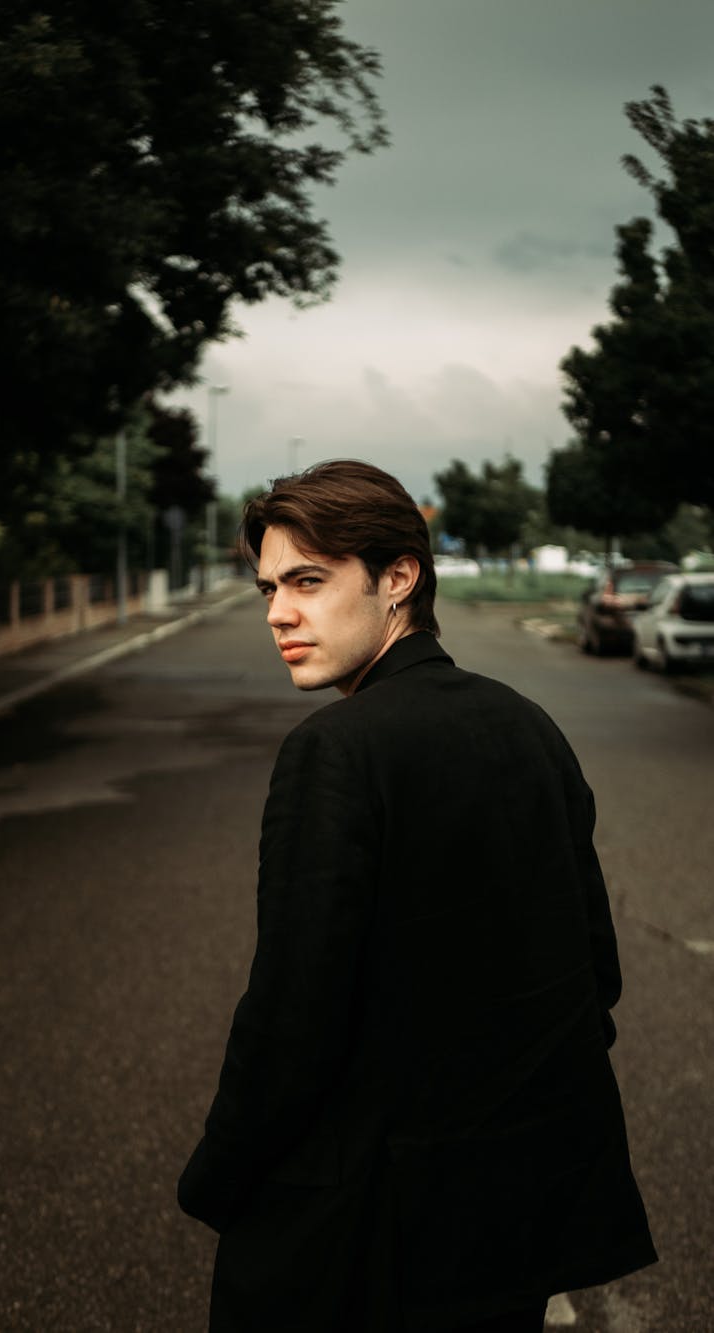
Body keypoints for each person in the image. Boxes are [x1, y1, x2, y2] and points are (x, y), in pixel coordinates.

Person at [178, 460, 656, 1333]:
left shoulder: (335, 752)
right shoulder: (529, 726)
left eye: (309, 580)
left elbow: (292, 1020)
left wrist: (217, 1174)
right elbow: (595, 975)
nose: (279, 612)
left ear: (399, 577)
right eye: (268, 588)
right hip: (510, 1227)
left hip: (369, 1235)